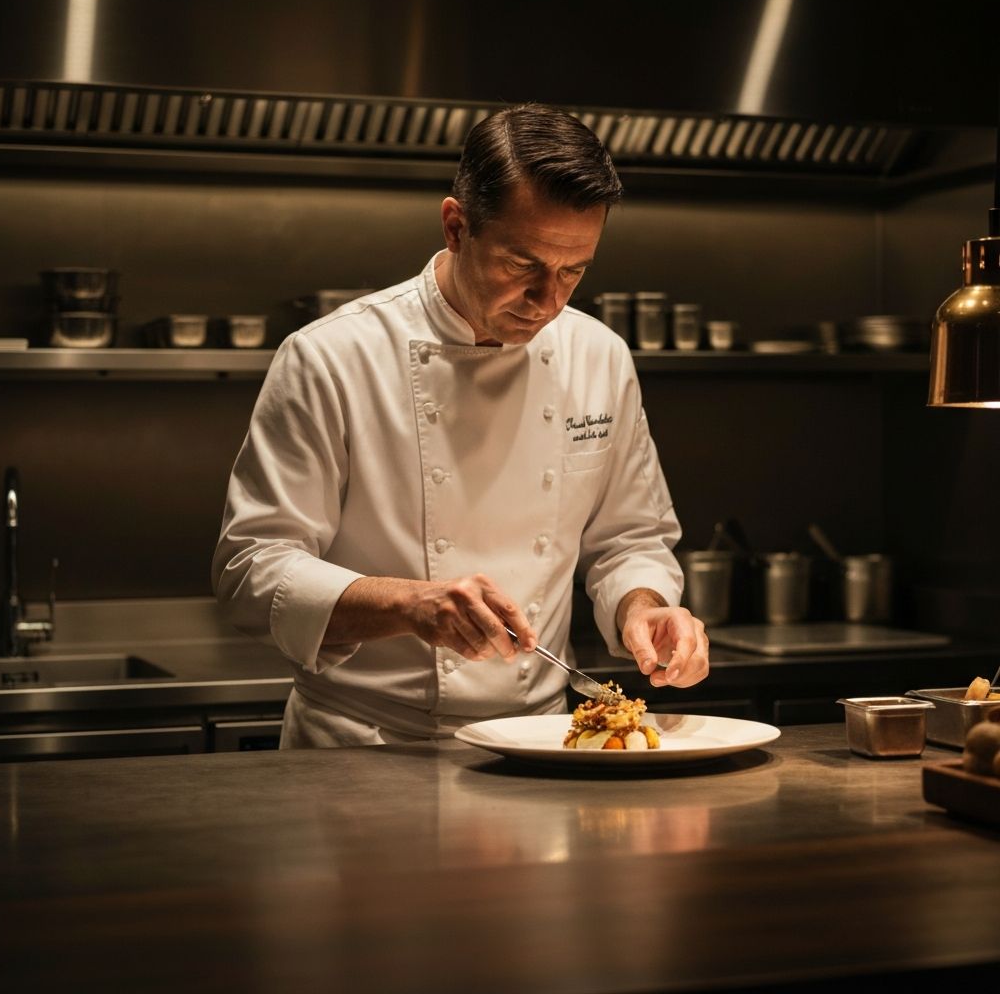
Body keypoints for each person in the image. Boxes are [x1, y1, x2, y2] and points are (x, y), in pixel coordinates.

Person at [212, 102, 709, 748]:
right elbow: (251, 570)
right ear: (456, 226)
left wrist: (646, 608)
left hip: (537, 745)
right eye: (523, 265)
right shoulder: (331, 358)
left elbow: (630, 538)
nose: (549, 301)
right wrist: (409, 606)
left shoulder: (599, 356)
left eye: (574, 272)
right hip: (357, 751)